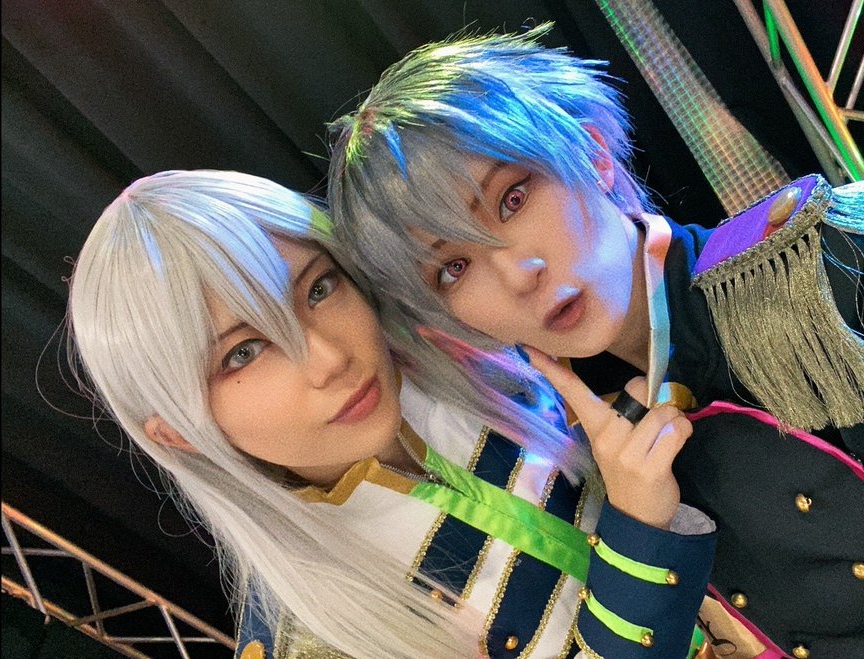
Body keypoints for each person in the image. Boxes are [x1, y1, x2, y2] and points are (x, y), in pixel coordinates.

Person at [327, 26, 864, 658]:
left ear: (594, 153)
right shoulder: (591, 452)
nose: (517, 273)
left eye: (512, 199)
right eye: (453, 268)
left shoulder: (833, 267)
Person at [67, 169, 737, 659]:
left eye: (318, 288)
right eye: (243, 352)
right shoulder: (310, 639)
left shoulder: (470, 353)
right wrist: (642, 534)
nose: (330, 358)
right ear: (178, 432)